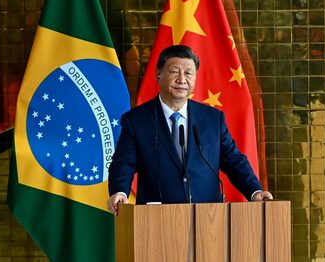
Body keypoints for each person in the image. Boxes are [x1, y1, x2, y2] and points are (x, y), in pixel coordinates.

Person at [107, 44, 272, 215]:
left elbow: (234, 160)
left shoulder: (213, 119)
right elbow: (123, 163)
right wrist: (119, 192)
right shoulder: (136, 120)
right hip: (155, 219)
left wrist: (255, 191)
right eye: (174, 72)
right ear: (158, 74)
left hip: (208, 218)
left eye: (188, 73)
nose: (182, 79)